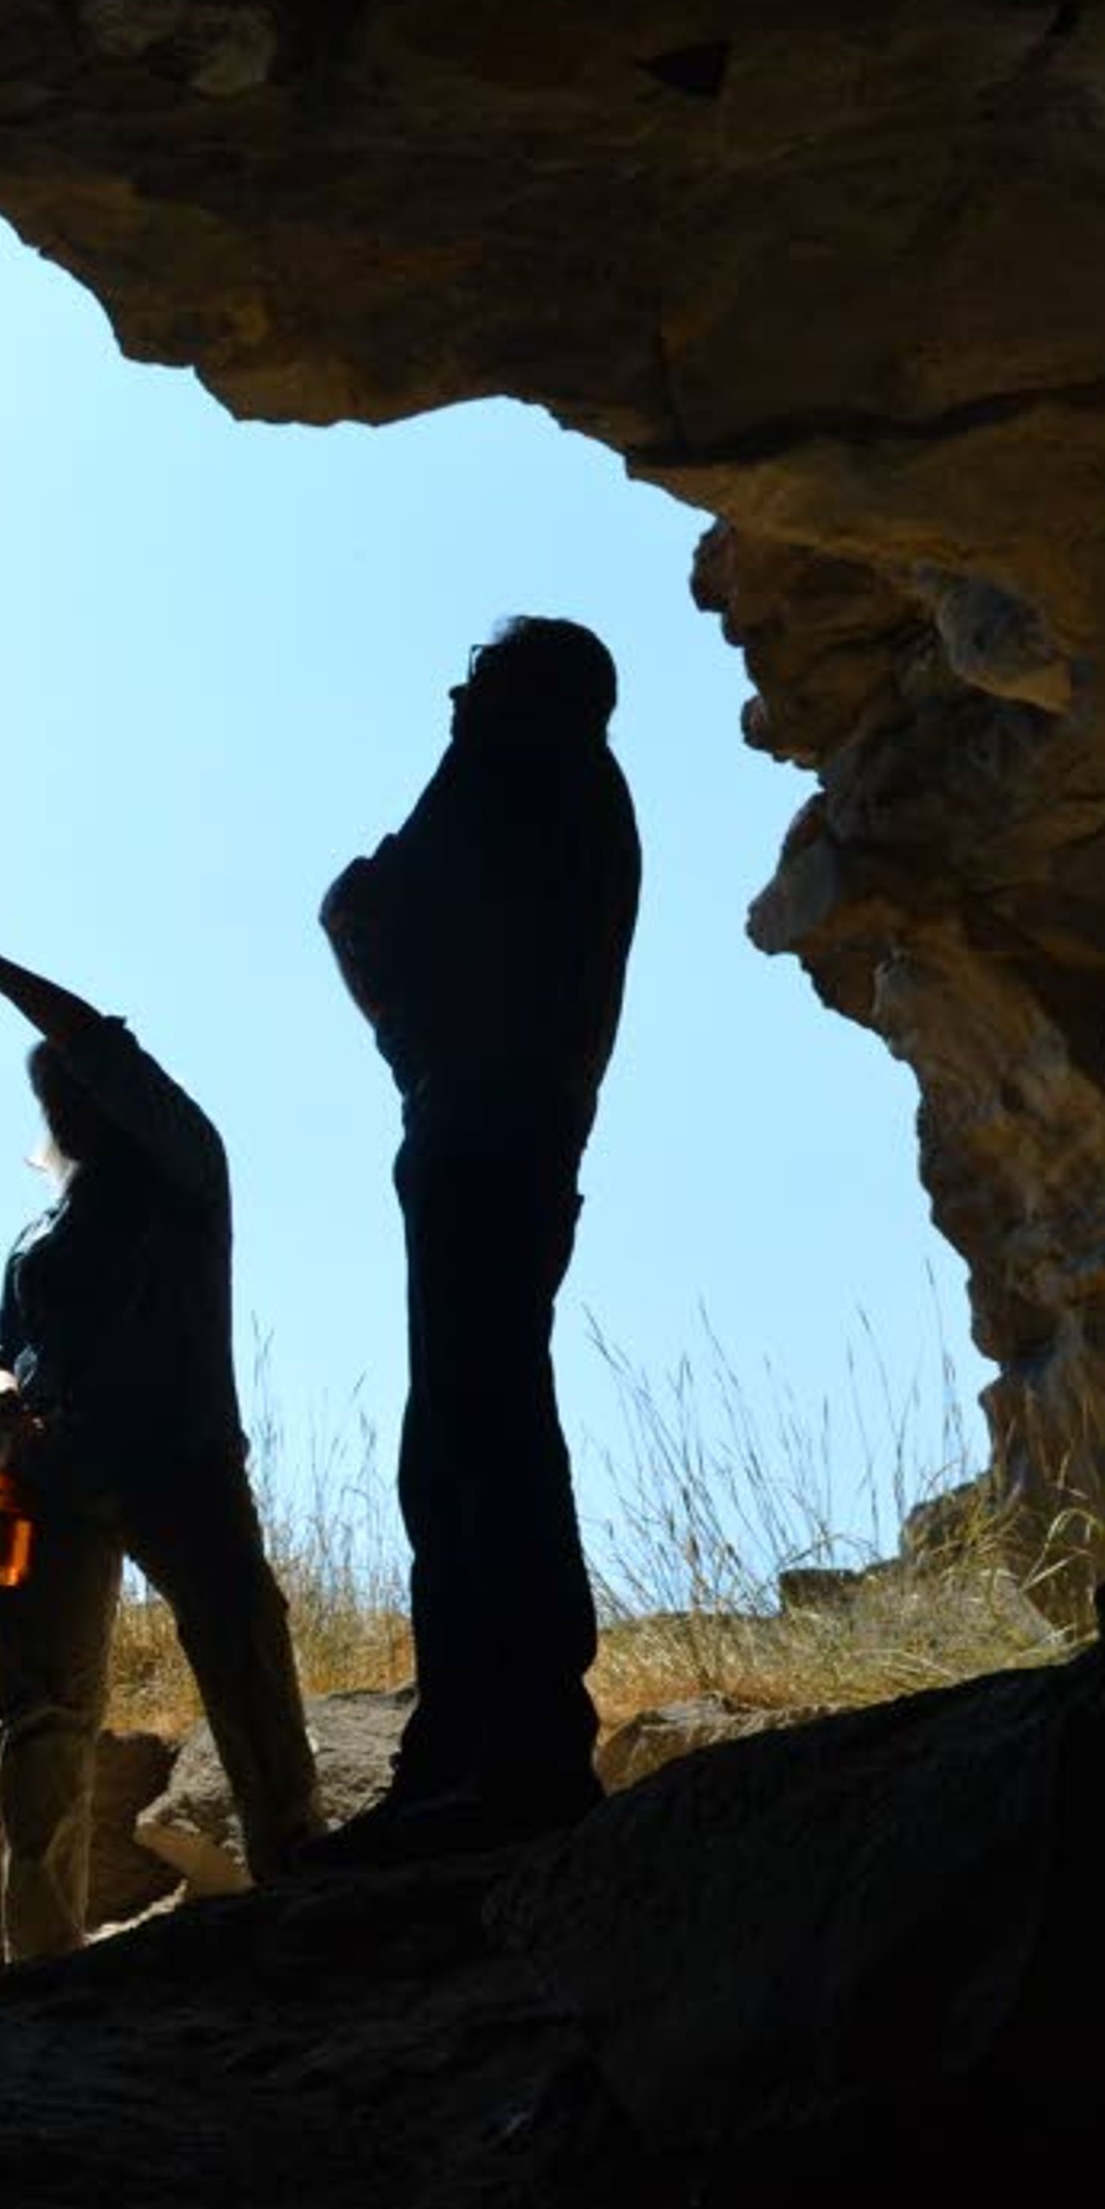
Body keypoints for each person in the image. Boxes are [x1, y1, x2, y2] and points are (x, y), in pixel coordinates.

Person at [0, 866, 322, 1959]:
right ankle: (41, 1952)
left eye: (75, 1086)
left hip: (179, 1459)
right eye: (52, 1094)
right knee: (39, 1714)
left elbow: (95, 1037)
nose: (63, 1101)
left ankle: (304, 1882)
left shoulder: (186, 1167)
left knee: (242, 1654)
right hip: (47, 1483)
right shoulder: (35, 1235)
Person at [318, 615, 641, 1850]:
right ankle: (476, 1744)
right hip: (508, 1124)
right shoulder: (566, 782)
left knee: (476, 1432)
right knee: (468, 1425)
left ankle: (511, 1750)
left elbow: (370, 902)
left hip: (483, 1123)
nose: (455, 704)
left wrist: (374, 954)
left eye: (479, 684)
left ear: (528, 695)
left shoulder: (513, 770)